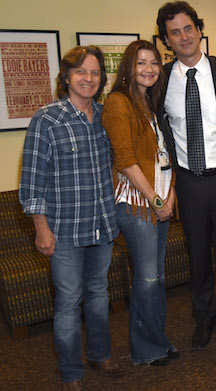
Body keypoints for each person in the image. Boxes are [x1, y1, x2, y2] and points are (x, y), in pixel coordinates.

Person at [19, 46, 124, 391]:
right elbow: (32, 180)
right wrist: (41, 230)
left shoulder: (105, 116)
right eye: (81, 72)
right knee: (67, 303)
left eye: (95, 73)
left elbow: (114, 164)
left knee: (98, 294)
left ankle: (99, 354)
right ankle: (70, 373)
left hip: (103, 226)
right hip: (63, 231)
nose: (88, 78)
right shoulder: (47, 119)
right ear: (66, 77)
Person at [156, 2, 216, 366]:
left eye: (188, 27)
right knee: (197, 258)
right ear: (166, 40)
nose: (184, 36)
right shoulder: (160, 79)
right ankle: (205, 319)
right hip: (189, 182)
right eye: (175, 32)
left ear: (199, 29)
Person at [102, 40, 178, 367]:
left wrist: (170, 195)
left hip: (159, 200)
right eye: (141, 63)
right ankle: (146, 350)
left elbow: (166, 156)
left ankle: (156, 341)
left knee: (157, 277)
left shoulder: (150, 102)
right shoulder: (118, 102)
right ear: (128, 68)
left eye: (154, 63)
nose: (148, 69)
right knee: (147, 278)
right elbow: (126, 160)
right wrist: (158, 199)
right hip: (137, 203)